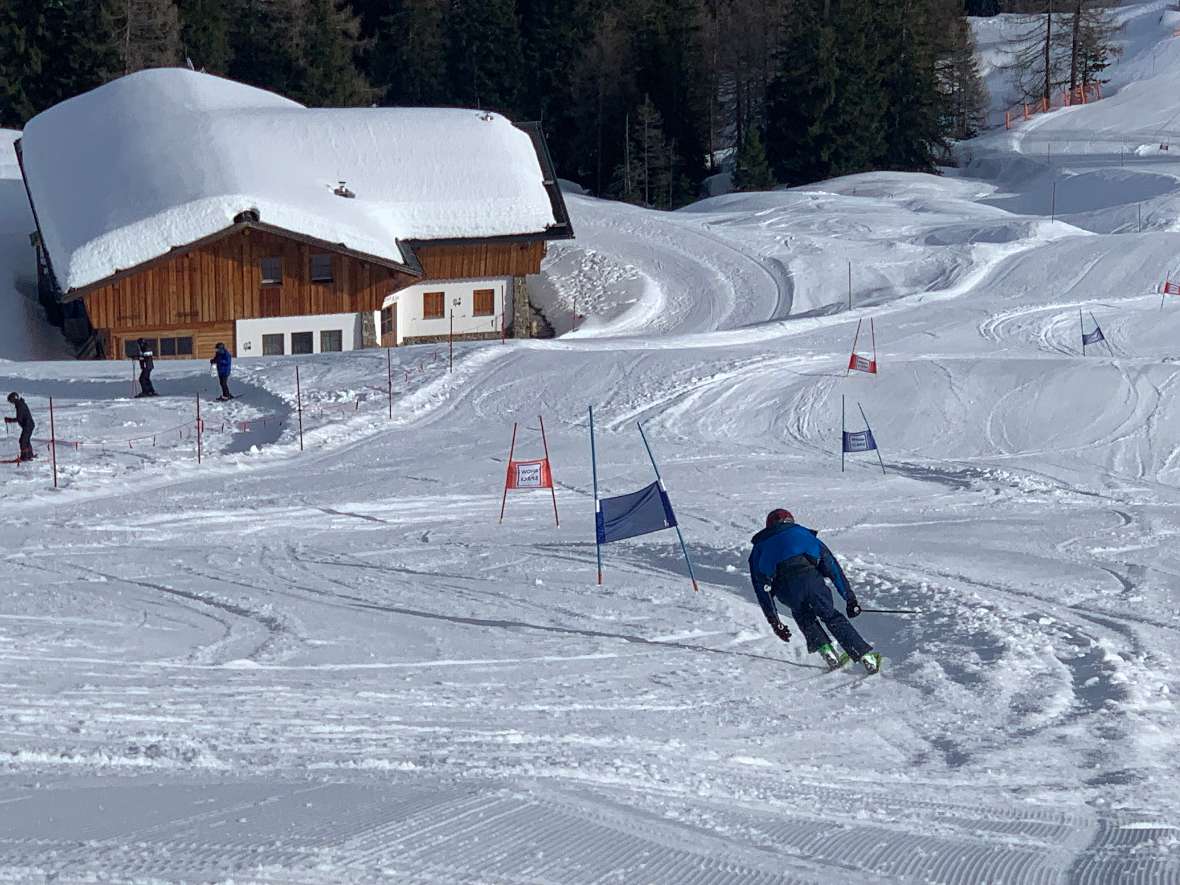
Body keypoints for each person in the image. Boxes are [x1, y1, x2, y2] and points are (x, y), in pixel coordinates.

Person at [748, 508, 881, 674]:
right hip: (811, 581)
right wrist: (850, 599)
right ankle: (865, 657)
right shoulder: (804, 534)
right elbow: (833, 568)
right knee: (830, 615)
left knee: (802, 615)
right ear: (791, 521)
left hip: (786, 591)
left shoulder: (759, 547)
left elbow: (760, 588)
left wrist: (775, 622)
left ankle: (826, 652)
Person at [4, 392, 36, 462]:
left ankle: (24, 457)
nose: (11, 402)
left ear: (13, 399)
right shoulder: (20, 403)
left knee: (22, 441)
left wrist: (9, 420)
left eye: (10, 400)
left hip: (28, 425)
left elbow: (19, 419)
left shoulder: (19, 405)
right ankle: (29, 455)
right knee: (26, 440)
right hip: (29, 425)